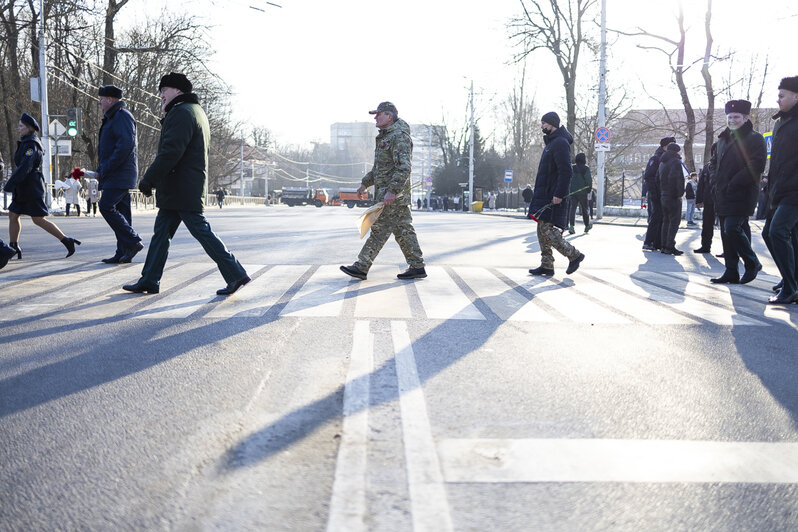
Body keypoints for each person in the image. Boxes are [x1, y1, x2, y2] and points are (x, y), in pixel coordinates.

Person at [123, 72, 250, 296]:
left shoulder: (181, 113)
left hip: (181, 188)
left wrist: (149, 178)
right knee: (161, 234)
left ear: (178, 91)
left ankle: (235, 272)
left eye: (164, 90)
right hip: (181, 187)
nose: (161, 95)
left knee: (202, 232)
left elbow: (171, 151)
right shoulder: (193, 111)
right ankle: (149, 279)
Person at [340, 101, 426, 281]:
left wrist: (392, 191)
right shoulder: (386, 137)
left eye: (378, 114)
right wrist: (365, 183)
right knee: (403, 230)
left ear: (389, 116)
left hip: (393, 196)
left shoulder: (399, 136)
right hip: (391, 195)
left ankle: (361, 266)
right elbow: (379, 168)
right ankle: (417, 266)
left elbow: (404, 167)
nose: (375, 118)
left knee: (379, 230)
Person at [2, 113, 80, 259]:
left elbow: (26, 166)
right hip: (23, 186)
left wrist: (11, 183)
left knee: (38, 219)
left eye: (21, 126)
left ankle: (66, 240)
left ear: (29, 128)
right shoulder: (26, 142)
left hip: (31, 187)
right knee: (13, 215)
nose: (18, 129)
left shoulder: (32, 144)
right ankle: (13, 246)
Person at [709, 99, 766, 285]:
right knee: (726, 233)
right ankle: (731, 271)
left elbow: (755, 166)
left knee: (732, 227)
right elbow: (713, 164)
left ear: (746, 117)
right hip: (722, 193)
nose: (732, 120)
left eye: (736, 117)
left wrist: (733, 184)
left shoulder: (754, 138)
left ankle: (752, 262)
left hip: (741, 194)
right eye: (729, 116)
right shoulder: (723, 139)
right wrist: (714, 181)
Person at [527, 111, 584, 276]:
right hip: (546, 193)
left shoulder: (560, 142)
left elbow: (566, 171)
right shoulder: (552, 143)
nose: (541, 126)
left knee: (546, 229)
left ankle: (574, 255)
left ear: (552, 123)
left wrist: (559, 194)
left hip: (553, 195)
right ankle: (547, 265)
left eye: (544, 123)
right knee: (541, 228)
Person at [97, 84, 143, 264]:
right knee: (123, 213)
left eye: (101, 98)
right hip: (117, 173)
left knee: (106, 206)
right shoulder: (113, 117)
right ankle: (123, 251)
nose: (99, 102)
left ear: (110, 99)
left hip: (120, 173)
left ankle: (132, 241)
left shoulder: (122, 116)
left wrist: (106, 167)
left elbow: (125, 145)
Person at [763, 76, 798, 304]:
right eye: (778, 95)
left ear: (796, 96)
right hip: (779, 189)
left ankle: (791, 287)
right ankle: (790, 279)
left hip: (795, 190)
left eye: (782, 96)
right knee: (770, 233)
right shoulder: (780, 123)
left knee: (777, 232)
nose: (778, 100)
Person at [642, 136, 675, 251]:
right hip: (657, 193)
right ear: (665, 146)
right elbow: (648, 176)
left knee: (663, 218)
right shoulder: (656, 158)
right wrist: (654, 193)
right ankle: (648, 241)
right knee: (656, 217)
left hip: (665, 193)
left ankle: (658, 242)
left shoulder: (667, 158)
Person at [658, 142, 685, 255]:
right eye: (679, 150)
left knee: (666, 221)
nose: (681, 152)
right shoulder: (676, 162)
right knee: (674, 222)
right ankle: (670, 246)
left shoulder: (662, 162)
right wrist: (679, 193)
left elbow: (657, 179)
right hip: (673, 196)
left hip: (664, 195)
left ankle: (664, 245)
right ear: (675, 151)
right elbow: (676, 179)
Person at [694, 144, 716, 253]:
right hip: (710, 200)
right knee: (707, 224)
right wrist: (699, 200)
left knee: (725, 227)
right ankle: (705, 246)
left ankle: (729, 250)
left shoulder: (726, 165)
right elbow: (701, 185)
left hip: (721, 200)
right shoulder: (708, 167)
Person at [567, 152, 592, 234]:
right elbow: (588, 180)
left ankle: (571, 226)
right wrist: (588, 190)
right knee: (585, 209)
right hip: (583, 193)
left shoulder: (572, 167)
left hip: (572, 192)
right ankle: (587, 226)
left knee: (572, 209)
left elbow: (568, 179)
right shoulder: (586, 168)